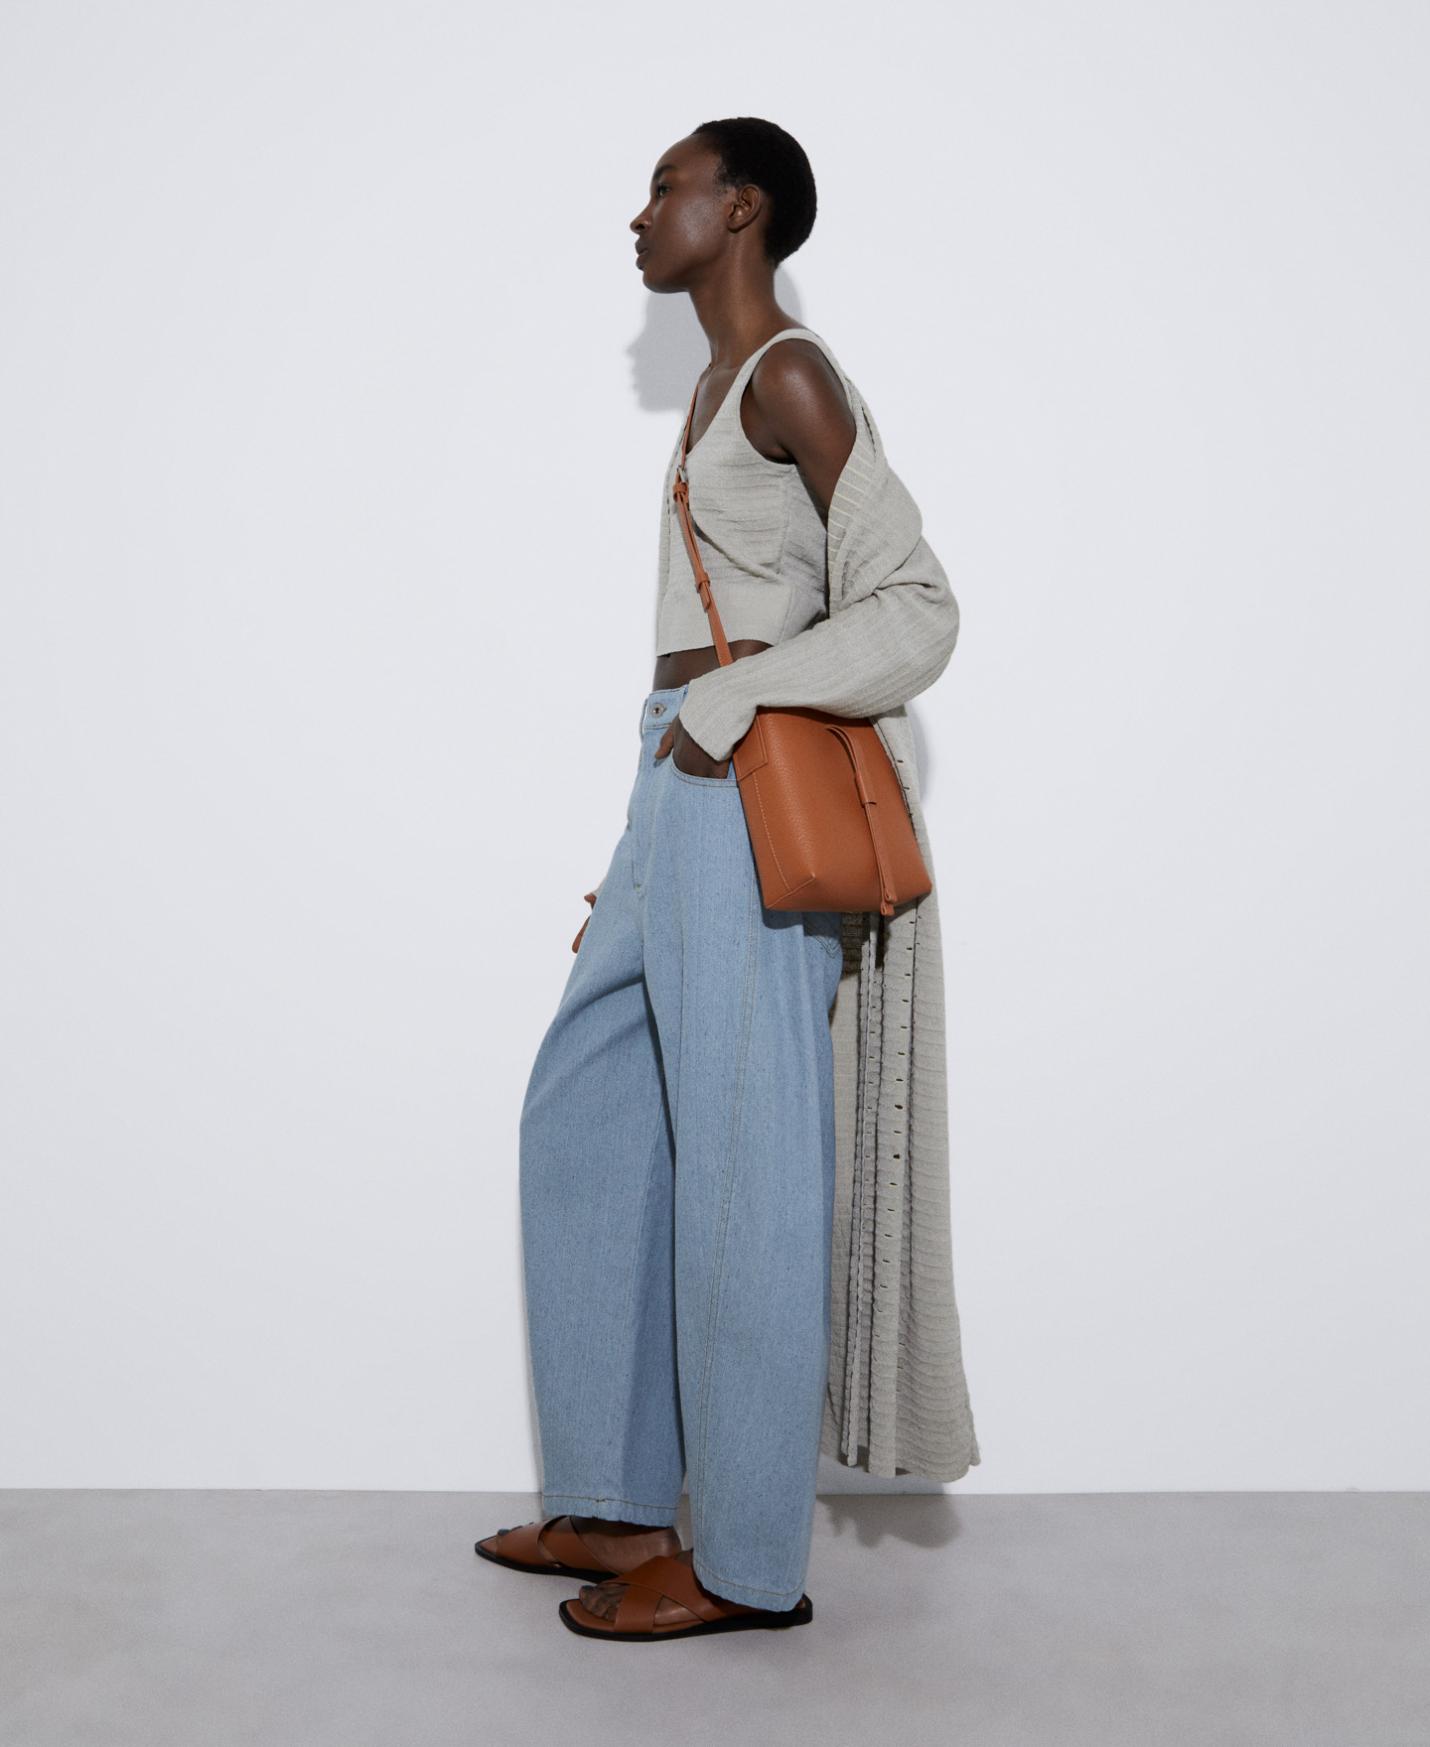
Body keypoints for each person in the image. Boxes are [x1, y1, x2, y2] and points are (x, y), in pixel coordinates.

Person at [476, 116, 979, 1642]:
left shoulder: (789, 377)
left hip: (739, 769)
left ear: (740, 207)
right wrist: (645, 837)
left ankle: (749, 1561)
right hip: (678, 781)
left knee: (746, 1161)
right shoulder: (711, 386)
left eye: (666, 187)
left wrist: (731, 705)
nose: (639, 216)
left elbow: (915, 605)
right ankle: (618, 1497)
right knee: (586, 1107)